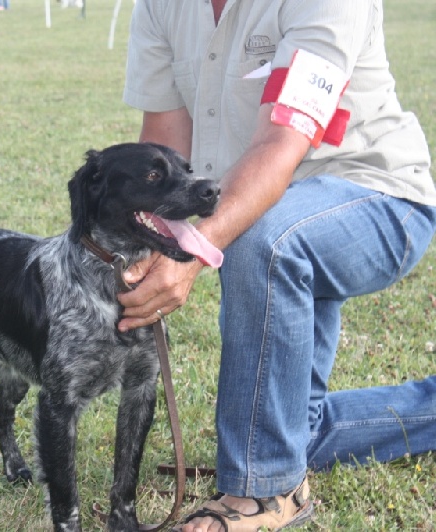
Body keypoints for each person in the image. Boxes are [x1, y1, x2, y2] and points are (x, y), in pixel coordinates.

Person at [120, 0, 436, 530]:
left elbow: (278, 144)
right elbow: (164, 152)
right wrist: (152, 247)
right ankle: (272, 445)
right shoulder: (160, 5)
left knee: (260, 241)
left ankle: (266, 487)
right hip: (277, 208)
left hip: (380, 197)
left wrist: (193, 252)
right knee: (297, 429)